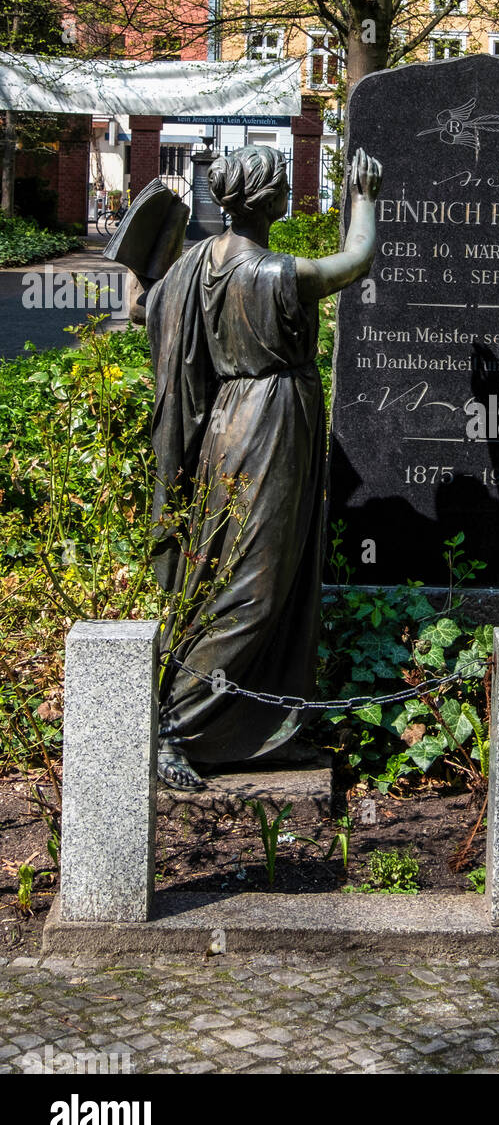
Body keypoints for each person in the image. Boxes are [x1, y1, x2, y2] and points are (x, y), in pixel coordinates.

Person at [147, 145, 382, 790]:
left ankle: (252, 725)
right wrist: (361, 195)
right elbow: (356, 260)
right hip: (270, 421)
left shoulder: (199, 263)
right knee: (254, 583)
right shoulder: (273, 273)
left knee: (237, 564)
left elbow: (151, 306)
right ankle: (175, 725)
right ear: (271, 202)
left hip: (230, 416)